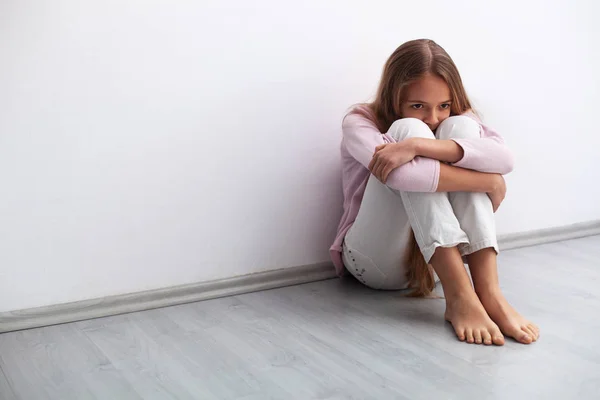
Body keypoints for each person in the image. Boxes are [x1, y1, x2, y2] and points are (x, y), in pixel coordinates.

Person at [329, 39, 539, 345]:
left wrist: (418, 146)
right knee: (406, 130)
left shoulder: (455, 118)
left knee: (460, 129)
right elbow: (404, 176)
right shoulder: (359, 123)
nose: (433, 118)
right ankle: (460, 296)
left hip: (432, 268)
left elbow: (505, 159)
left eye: (443, 105)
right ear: (394, 97)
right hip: (374, 263)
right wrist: (488, 182)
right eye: (418, 106)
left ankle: (489, 293)